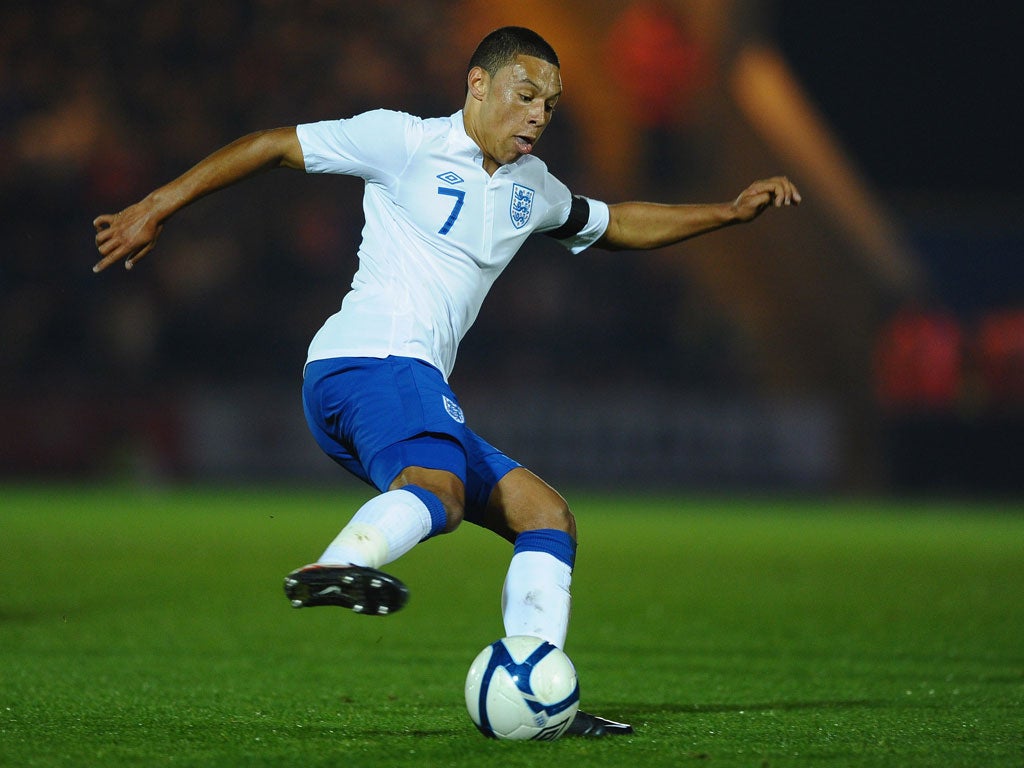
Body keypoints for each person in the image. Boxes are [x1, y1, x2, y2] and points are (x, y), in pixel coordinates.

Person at [93, 26, 800, 737]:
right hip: (370, 361)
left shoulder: (534, 187)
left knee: (546, 517)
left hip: (403, 382)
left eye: (549, 106)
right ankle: (337, 563)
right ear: (478, 85)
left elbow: (615, 222)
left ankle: (538, 689)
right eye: (525, 96)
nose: (536, 116)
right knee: (441, 492)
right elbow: (276, 144)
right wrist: (157, 204)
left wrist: (728, 214)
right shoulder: (404, 142)